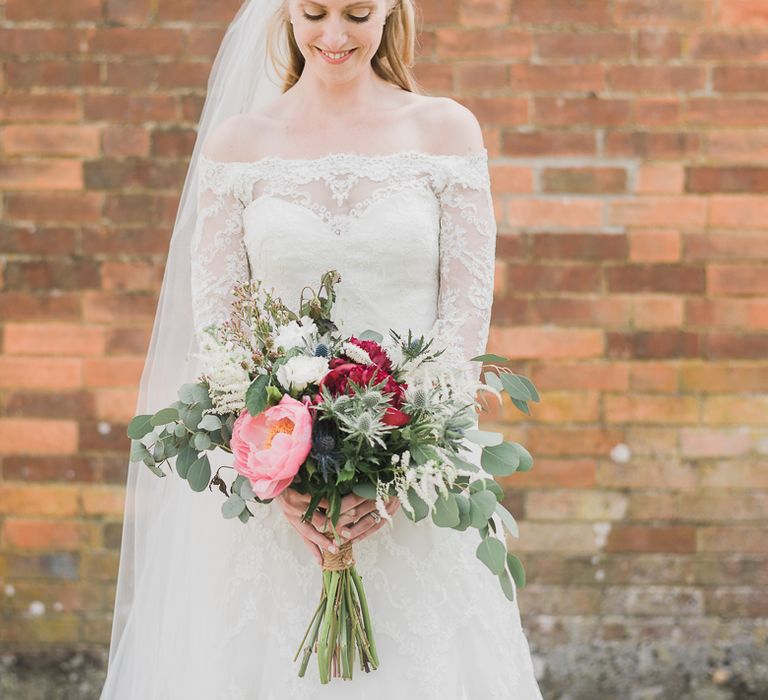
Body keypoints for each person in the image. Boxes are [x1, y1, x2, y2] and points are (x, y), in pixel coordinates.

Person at [99, 1, 544, 698]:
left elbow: (464, 323)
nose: (334, 36)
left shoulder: (444, 131)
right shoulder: (239, 145)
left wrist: (397, 471)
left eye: (358, 14)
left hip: (413, 480)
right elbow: (219, 337)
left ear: (392, 10)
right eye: (314, 12)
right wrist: (279, 479)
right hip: (277, 489)